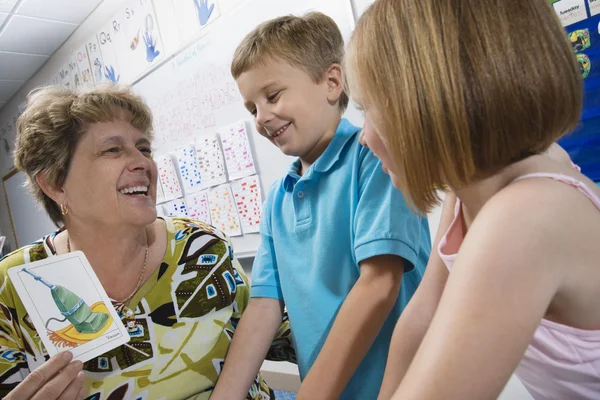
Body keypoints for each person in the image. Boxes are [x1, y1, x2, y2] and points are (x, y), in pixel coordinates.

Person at [345, 0, 600, 398]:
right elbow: (423, 317)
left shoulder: (526, 214)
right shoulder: (471, 195)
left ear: (426, 106)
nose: (364, 136)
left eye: (368, 110)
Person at [0, 85, 293, 399]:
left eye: (144, 148)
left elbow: (280, 334)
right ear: (56, 184)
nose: (142, 162)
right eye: (112, 150)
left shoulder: (200, 246)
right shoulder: (13, 286)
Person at [211, 12, 431, 400]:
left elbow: (380, 283)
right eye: (252, 108)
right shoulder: (277, 200)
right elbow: (264, 307)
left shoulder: (375, 159)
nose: (262, 117)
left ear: (331, 82)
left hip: (409, 387)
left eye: (273, 96)